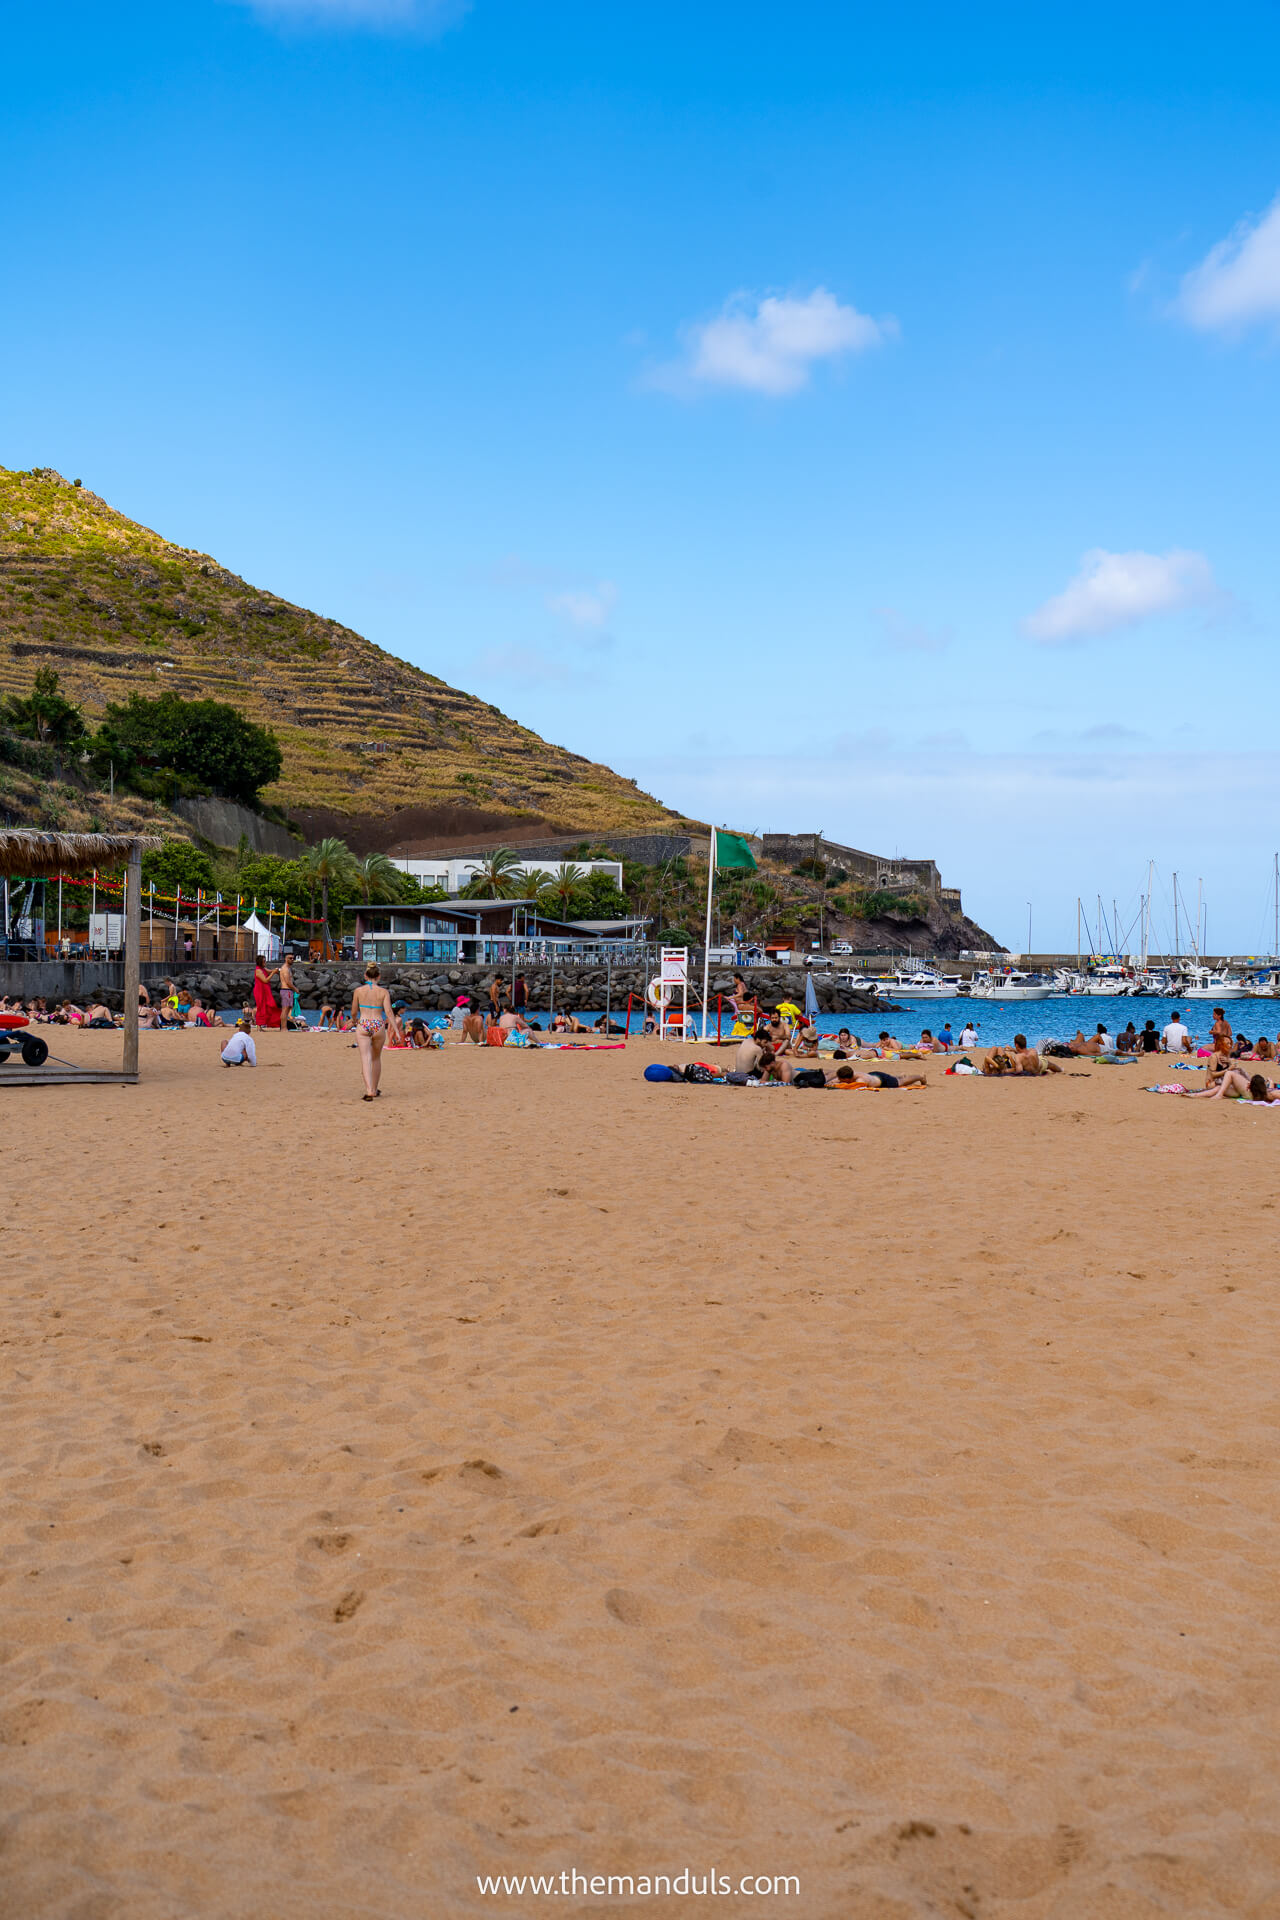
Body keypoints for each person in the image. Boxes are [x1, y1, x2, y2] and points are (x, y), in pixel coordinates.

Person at [350, 962, 393, 1100]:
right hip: (378, 1024)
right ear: (379, 976)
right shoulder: (384, 992)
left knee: (365, 1058)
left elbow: (353, 1011)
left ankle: (369, 1090)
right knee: (376, 1058)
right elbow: (388, 1012)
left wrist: (354, 1019)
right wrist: (397, 1030)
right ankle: (374, 1088)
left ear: (365, 975)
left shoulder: (358, 991)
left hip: (364, 1023)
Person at [252, 958, 280, 1029]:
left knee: (268, 1006)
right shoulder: (258, 970)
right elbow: (265, 980)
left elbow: (269, 971)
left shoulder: (263, 969)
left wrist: (276, 970)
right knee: (261, 1007)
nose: (265, 962)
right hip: (260, 991)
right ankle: (259, 1025)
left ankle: (263, 1024)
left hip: (265, 991)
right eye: (264, 961)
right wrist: (273, 973)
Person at [276, 950, 296, 1030]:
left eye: (293, 958)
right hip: (286, 990)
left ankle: (284, 1027)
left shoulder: (288, 968)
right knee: (285, 1009)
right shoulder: (285, 969)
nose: (292, 960)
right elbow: (288, 982)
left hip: (287, 990)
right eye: (290, 958)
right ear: (285, 958)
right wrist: (295, 989)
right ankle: (284, 1027)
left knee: (286, 1009)